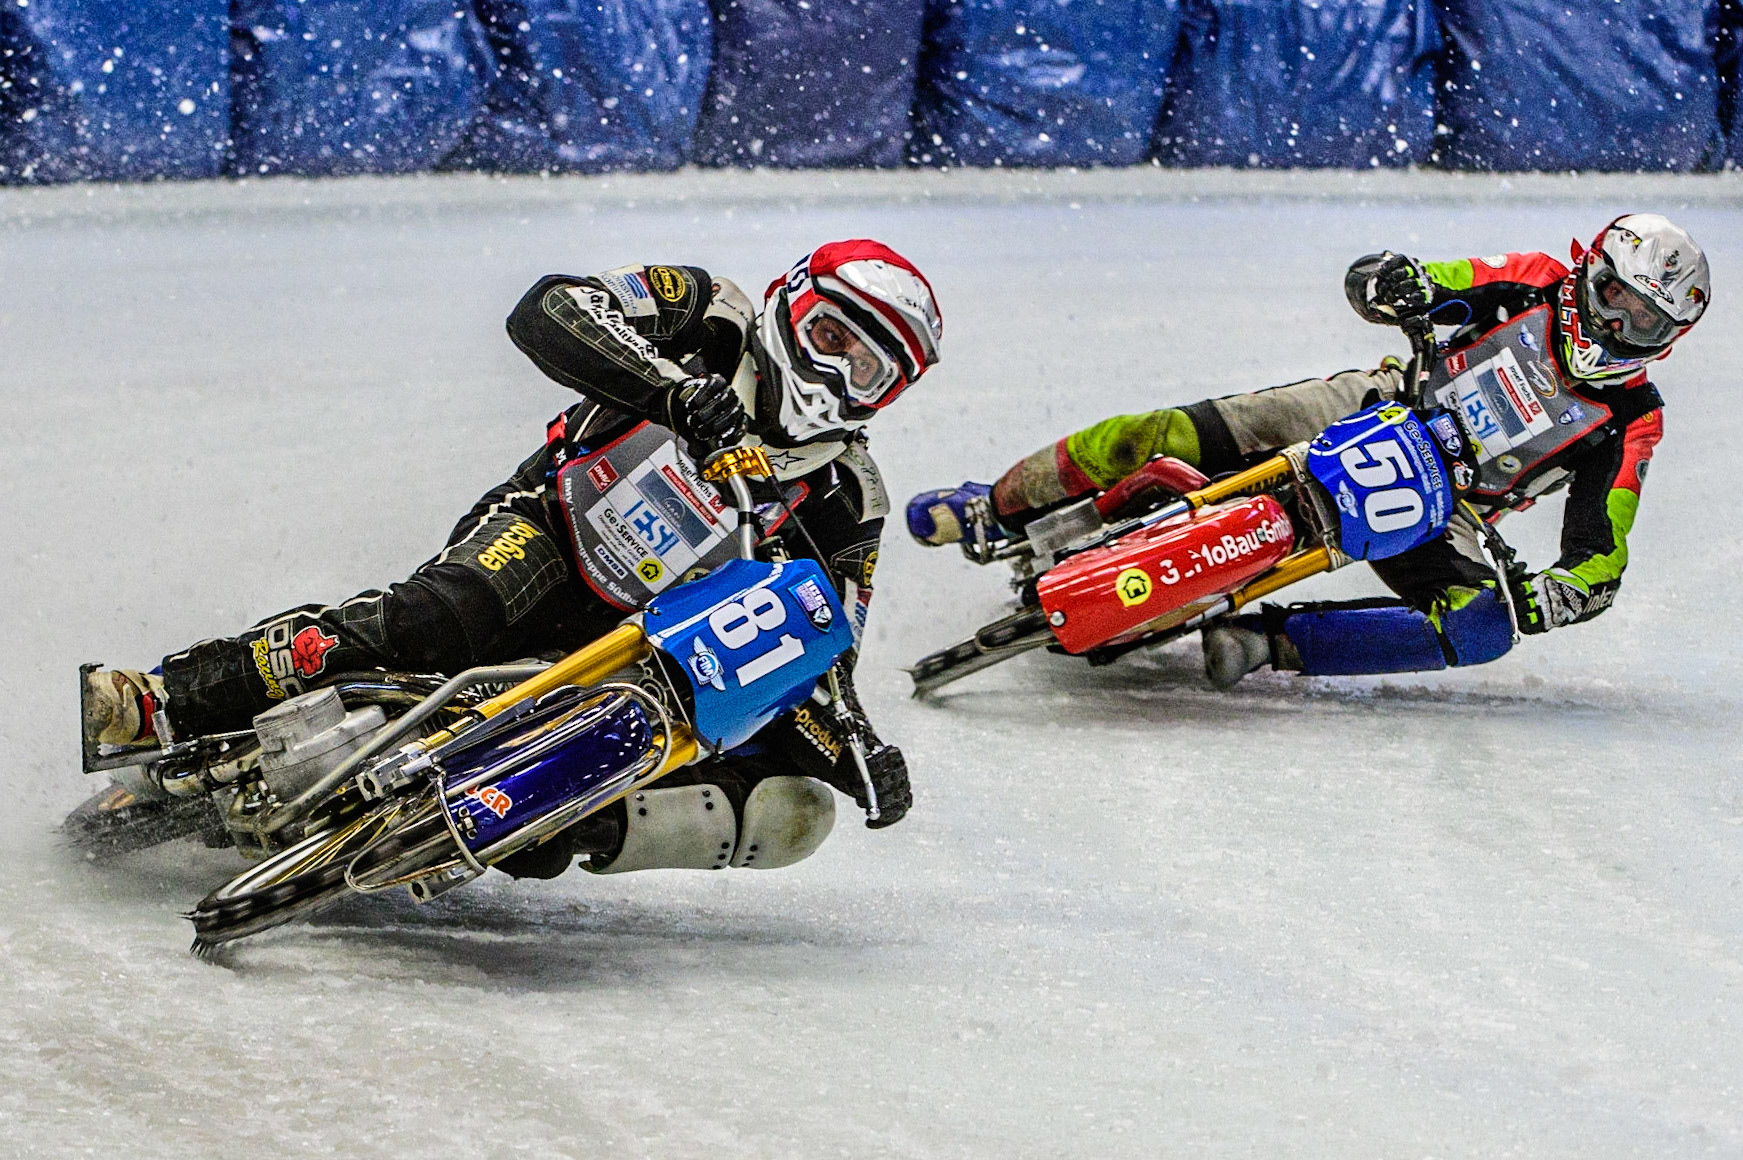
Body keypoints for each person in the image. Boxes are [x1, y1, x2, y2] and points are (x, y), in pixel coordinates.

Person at [83, 239, 943, 873]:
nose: (837, 377)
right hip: (550, 529)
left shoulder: (847, 500)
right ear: (791, 302)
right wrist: (673, 395)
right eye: (834, 338)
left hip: (645, 651)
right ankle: (165, 700)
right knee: (433, 621)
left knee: (793, 811)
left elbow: (820, 656)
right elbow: (549, 308)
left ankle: (524, 828)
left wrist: (857, 750)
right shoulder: (707, 313)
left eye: (871, 371)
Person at [907, 214, 1707, 687]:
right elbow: (1428, 278)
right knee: (1163, 434)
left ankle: (1269, 643)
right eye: (1613, 298)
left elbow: (1601, 550)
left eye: (1645, 323)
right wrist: (1396, 284)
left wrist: (1562, 592)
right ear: (1587, 272)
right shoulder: (1529, 281)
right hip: (1373, 403)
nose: (1616, 327)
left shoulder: (1631, 418)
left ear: (1667, 341)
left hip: (1445, 508)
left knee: (1480, 629)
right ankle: (994, 505)